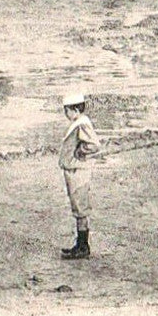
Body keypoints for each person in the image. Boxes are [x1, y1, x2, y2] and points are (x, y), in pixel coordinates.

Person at [56, 92, 101, 260]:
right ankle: (80, 244)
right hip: (75, 170)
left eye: (66, 110)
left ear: (75, 109)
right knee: (78, 207)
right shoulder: (79, 123)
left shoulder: (82, 124)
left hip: (78, 171)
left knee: (80, 208)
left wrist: (79, 152)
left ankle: (83, 246)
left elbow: (94, 145)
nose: (65, 114)